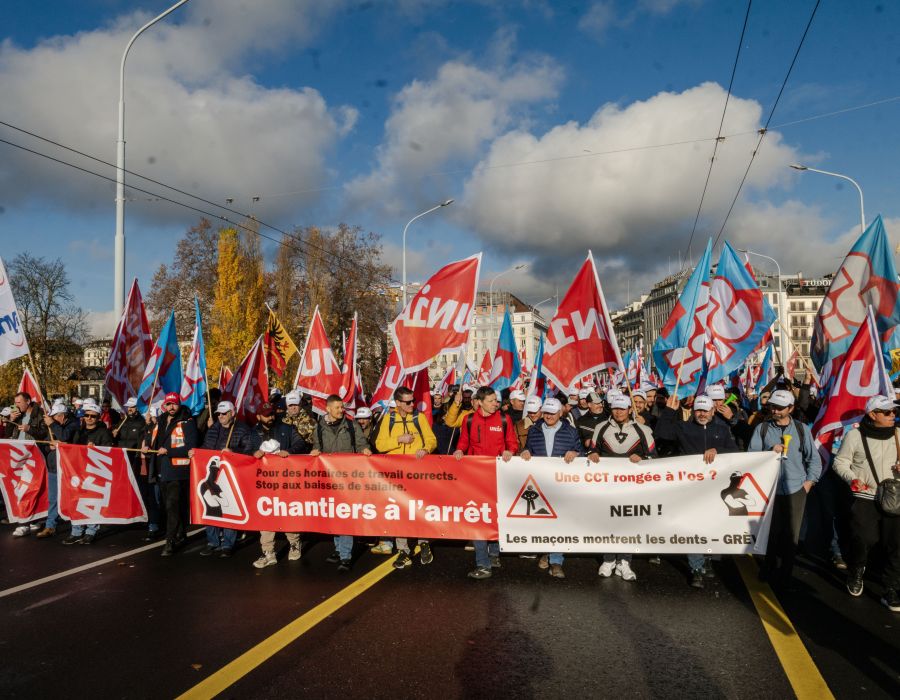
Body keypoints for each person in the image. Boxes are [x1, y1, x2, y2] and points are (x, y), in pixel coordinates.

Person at [656, 393, 739, 587]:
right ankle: (697, 569)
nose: (702, 414)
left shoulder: (722, 429)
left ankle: (708, 560)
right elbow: (661, 433)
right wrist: (669, 411)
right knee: (693, 525)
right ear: (693, 412)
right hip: (690, 488)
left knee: (711, 525)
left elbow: (735, 452)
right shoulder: (683, 428)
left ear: (712, 411)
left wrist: (717, 451)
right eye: (698, 410)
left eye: (705, 410)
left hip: (715, 488)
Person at [831, 395, 900, 611]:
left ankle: (890, 588)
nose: (893, 415)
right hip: (865, 496)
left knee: (895, 545)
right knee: (863, 539)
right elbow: (840, 462)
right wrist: (852, 478)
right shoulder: (855, 435)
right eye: (887, 412)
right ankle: (857, 570)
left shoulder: (898, 434)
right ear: (873, 414)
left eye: (893, 412)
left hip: (893, 497)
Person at [748, 389, 821, 586]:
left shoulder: (801, 429)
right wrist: (770, 452)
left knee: (791, 536)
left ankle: (786, 575)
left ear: (791, 408)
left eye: (780, 408)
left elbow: (813, 459)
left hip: (796, 489)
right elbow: (751, 457)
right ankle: (768, 567)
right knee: (769, 532)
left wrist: (809, 483)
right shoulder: (762, 429)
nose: (775, 410)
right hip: (769, 491)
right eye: (773, 406)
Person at [588, 393, 656, 582]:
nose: (618, 412)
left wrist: (642, 459)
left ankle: (624, 561)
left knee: (628, 523)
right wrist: (592, 454)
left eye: (623, 408)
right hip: (607, 486)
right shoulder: (601, 427)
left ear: (629, 409)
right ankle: (608, 559)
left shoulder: (643, 429)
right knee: (607, 521)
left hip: (632, 487)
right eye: (616, 408)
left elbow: (655, 457)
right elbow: (593, 449)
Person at [454, 386, 517, 579]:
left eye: (496, 401)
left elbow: (512, 443)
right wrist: (459, 451)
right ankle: (483, 564)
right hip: (475, 478)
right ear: (479, 402)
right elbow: (463, 442)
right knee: (478, 519)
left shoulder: (505, 419)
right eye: (491, 401)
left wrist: (510, 451)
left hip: (498, 476)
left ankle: (494, 554)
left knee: (495, 517)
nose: (495, 404)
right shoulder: (469, 419)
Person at [520, 397, 582, 578]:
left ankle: (556, 562)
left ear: (560, 413)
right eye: (546, 412)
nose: (548, 416)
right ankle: (546, 552)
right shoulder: (534, 430)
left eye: (552, 413)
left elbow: (581, 451)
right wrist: (525, 452)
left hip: (561, 484)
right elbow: (528, 448)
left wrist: (575, 453)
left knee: (559, 522)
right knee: (543, 522)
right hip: (540, 483)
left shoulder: (570, 431)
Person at [376, 386, 437, 567]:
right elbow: (379, 445)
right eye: (408, 402)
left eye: (413, 401)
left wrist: (425, 449)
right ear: (398, 403)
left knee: (419, 508)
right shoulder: (389, 418)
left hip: (417, 474)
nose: (412, 404)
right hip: (396, 474)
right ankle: (403, 550)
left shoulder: (419, 417)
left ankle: (423, 543)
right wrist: (399, 440)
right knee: (399, 511)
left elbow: (432, 440)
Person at [309, 395, 371, 571]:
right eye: (337, 408)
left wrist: (364, 449)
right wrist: (315, 451)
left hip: (348, 480)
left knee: (344, 515)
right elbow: (317, 447)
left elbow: (361, 444)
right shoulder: (319, 428)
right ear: (328, 409)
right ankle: (338, 548)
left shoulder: (351, 425)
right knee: (334, 515)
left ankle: (345, 556)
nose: (341, 410)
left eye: (342, 407)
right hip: (329, 480)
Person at [197, 400, 254, 557]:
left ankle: (228, 544)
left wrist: (233, 451)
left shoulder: (242, 429)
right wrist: (195, 453)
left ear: (232, 413)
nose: (220, 416)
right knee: (210, 506)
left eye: (224, 413)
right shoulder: (214, 428)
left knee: (229, 508)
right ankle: (213, 542)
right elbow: (206, 447)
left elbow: (249, 451)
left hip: (232, 476)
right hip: (213, 474)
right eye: (218, 414)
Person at [146, 393, 199, 557]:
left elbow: (192, 448)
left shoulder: (187, 422)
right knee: (168, 506)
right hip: (161, 469)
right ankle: (181, 533)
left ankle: (169, 542)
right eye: (168, 404)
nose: (171, 407)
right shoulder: (161, 420)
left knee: (172, 506)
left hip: (178, 471)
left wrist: (169, 451)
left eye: (174, 404)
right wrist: (147, 446)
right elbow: (153, 440)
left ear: (179, 404)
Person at [63, 399, 114, 544]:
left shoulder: (104, 433)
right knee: (76, 501)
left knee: (92, 503)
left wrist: (97, 449)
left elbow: (110, 453)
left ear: (98, 418)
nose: (89, 419)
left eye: (93, 416)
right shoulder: (79, 432)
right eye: (87, 415)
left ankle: (91, 531)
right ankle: (76, 531)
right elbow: (71, 449)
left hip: (95, 473)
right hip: (78, 472)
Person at [115, 397, 160, 540]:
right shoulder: (123, 423)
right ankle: (139, 517)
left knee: (150, 495)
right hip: (129, 464)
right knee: (135, 493)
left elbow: (148, 441)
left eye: (133, 407)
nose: (130, 409)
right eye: (128, 407)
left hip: (145, 465)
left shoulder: (143, 424)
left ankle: (153, 523)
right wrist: (113, 435)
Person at [35, 403, 79, 539]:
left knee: (72, 498)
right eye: (51, 417)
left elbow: (65, 436)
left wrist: (53, 425)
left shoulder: (73, 425)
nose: (52, 419)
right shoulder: (53, 427)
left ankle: (76, 526)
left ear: (62, 416)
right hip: (53, 468)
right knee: (53, 499)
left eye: (54, 417)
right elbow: (46, 445)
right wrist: (50, 448)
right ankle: (50, 525)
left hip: (68, 469)